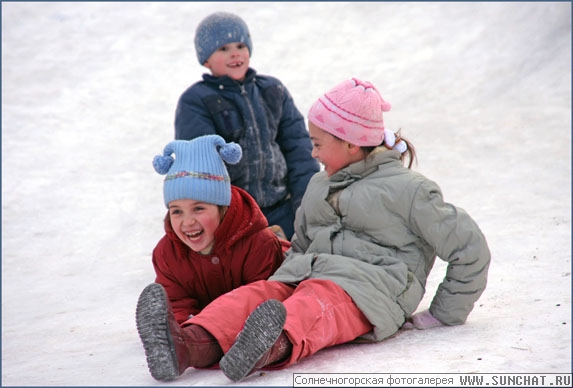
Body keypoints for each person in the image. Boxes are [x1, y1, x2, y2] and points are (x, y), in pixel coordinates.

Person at [136, 78, 491, 382]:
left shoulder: (409, 190)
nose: (313, 151)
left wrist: (445, 313)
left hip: (368, 291)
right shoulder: (320, 186)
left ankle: (268, 346)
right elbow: (302, 245)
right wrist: (278, 278)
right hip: (306, 275)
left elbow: (469, 247)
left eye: (319, 143)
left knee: (313, 303)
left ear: (351, 143)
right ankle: (186, 344)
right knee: (255, 295)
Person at [136, 134, 288, 381]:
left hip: (252, 314)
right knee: (184, 327)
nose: (187, 222)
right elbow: (177, 301)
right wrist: (184, 324)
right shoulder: (168, 254)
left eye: (199, 208)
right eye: (177, 211)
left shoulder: (257, 244)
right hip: (208, 322)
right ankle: (179, 344)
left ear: (222, 207)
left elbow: (267, 297)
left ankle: (199, 344)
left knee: (262, 295)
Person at [173, 11, 320, 240]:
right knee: (255, 267)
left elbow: (298, 148)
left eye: (240, 46)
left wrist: (306, 203)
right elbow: (202, 165)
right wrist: (222, 216)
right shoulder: (197, 101)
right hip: (234, 218)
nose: (235, 54)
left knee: (305, 259)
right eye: (223, 49)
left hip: (283, 206)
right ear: (206, 59)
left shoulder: (272, 91)